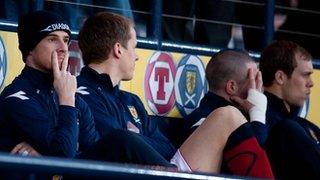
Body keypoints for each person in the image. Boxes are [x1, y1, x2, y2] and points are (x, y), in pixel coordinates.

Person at [77, 12, 273, 178]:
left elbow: (167, 148)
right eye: (135, 46)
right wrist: (134, 139)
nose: (136, 55)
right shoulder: (82, 93)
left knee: (228, 115)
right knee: (227, 115)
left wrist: (138, 140)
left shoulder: (131, 100)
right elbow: (115, 147)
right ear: (118, 49)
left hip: (163, 172)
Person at [0, 10, 175, 169]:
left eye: (66, 40)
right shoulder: (17, 97)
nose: (63, 47)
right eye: (52, 39)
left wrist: (48, 154)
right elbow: (63, 154)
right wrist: (67, 101)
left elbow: (93, 152)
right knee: (122, 140)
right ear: (31, 47)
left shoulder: (71, 95)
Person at [259, 40, 320, 179]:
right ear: (280, 77)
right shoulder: (260, 123)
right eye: (305, 74)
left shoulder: (305, 125)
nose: (311, 83)